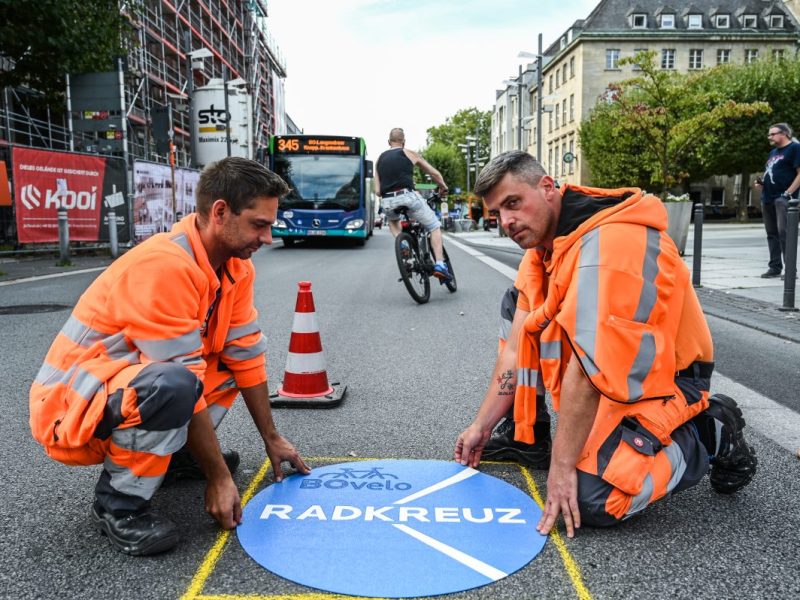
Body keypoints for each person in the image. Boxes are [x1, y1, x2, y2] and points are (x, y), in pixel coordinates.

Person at [454, 151, 757, 537]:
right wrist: (482, 425)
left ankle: (708, 431)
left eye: (513, 203)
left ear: (547, 188)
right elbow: (517, 347)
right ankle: (525, 433)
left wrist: (562, 470)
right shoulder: (543, 249)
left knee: (592, 500)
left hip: (663, 382)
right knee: (518, 305)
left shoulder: (610, 247)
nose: (507, 222)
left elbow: (587, 365)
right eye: (497, 213)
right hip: (605, 377)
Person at [29, 157, 310, 556]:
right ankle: (119, 503)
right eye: (259, 224)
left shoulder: (235, 268)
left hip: (124, 386)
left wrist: (272, 438)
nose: (267, 238)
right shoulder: (164, 265)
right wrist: (217, 477)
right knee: (177, 384)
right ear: (219, 212)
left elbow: (245, 354)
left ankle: (172, 455)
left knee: (225, 367)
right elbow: (183, 377)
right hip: (71, 407)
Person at [374, 127, 452, 281]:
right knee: (434, 226)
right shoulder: (409, 153)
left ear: (389, 142)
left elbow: (377, 190)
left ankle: (402, 242)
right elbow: (434, 173)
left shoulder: (379, 159)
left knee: (393, 220)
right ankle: (441, 265)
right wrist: (443, 187)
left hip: (388, 200)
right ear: (403, 142)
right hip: (408, 197)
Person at [755, 122, 800, 279]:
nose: (770, 137)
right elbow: (771, 172)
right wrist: (762, 184)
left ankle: (790, 270)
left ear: (784, 134)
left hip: (783, 198)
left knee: (784, 233)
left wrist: (788, 193)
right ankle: (775, 267)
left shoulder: (795, 148)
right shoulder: (773, 152)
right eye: (769, 134)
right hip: (767, 197)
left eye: (773, 134)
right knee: (771, 234)